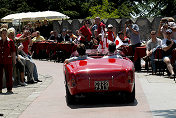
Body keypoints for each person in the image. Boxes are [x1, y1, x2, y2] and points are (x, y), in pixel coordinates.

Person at [0, 28, 16, 94]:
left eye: (5, 33)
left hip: (8, 60)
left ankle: (9, 89)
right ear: (0, 34)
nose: (4, 34)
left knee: (9, 75)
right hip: (0, 60)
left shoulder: (10, 41)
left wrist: (14, 60)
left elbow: (13, 52)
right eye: (3, 33)